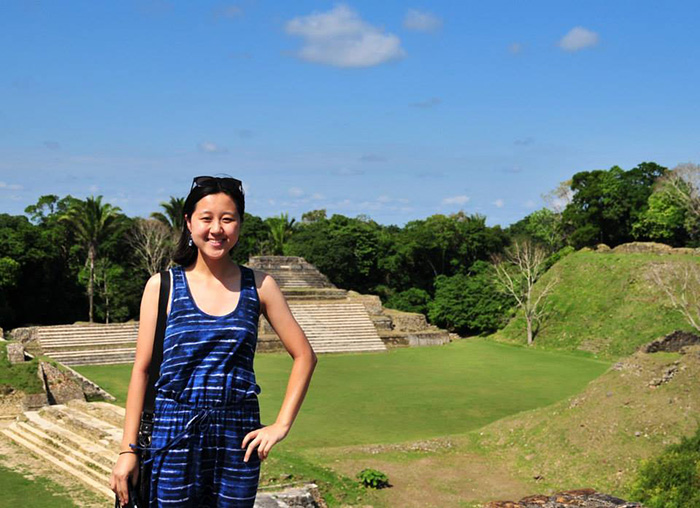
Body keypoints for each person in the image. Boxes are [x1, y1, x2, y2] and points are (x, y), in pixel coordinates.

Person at [110, 175, 318, 507]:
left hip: (238, 433)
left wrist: (281, 425)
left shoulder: (260, 286)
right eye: (206, 218)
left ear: (239, 224)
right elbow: (142, 371)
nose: (216, 229)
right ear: (189, 223)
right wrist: (127, 450)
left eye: (227, 219)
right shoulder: (162, 286)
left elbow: (305, 356)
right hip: (174, 427)